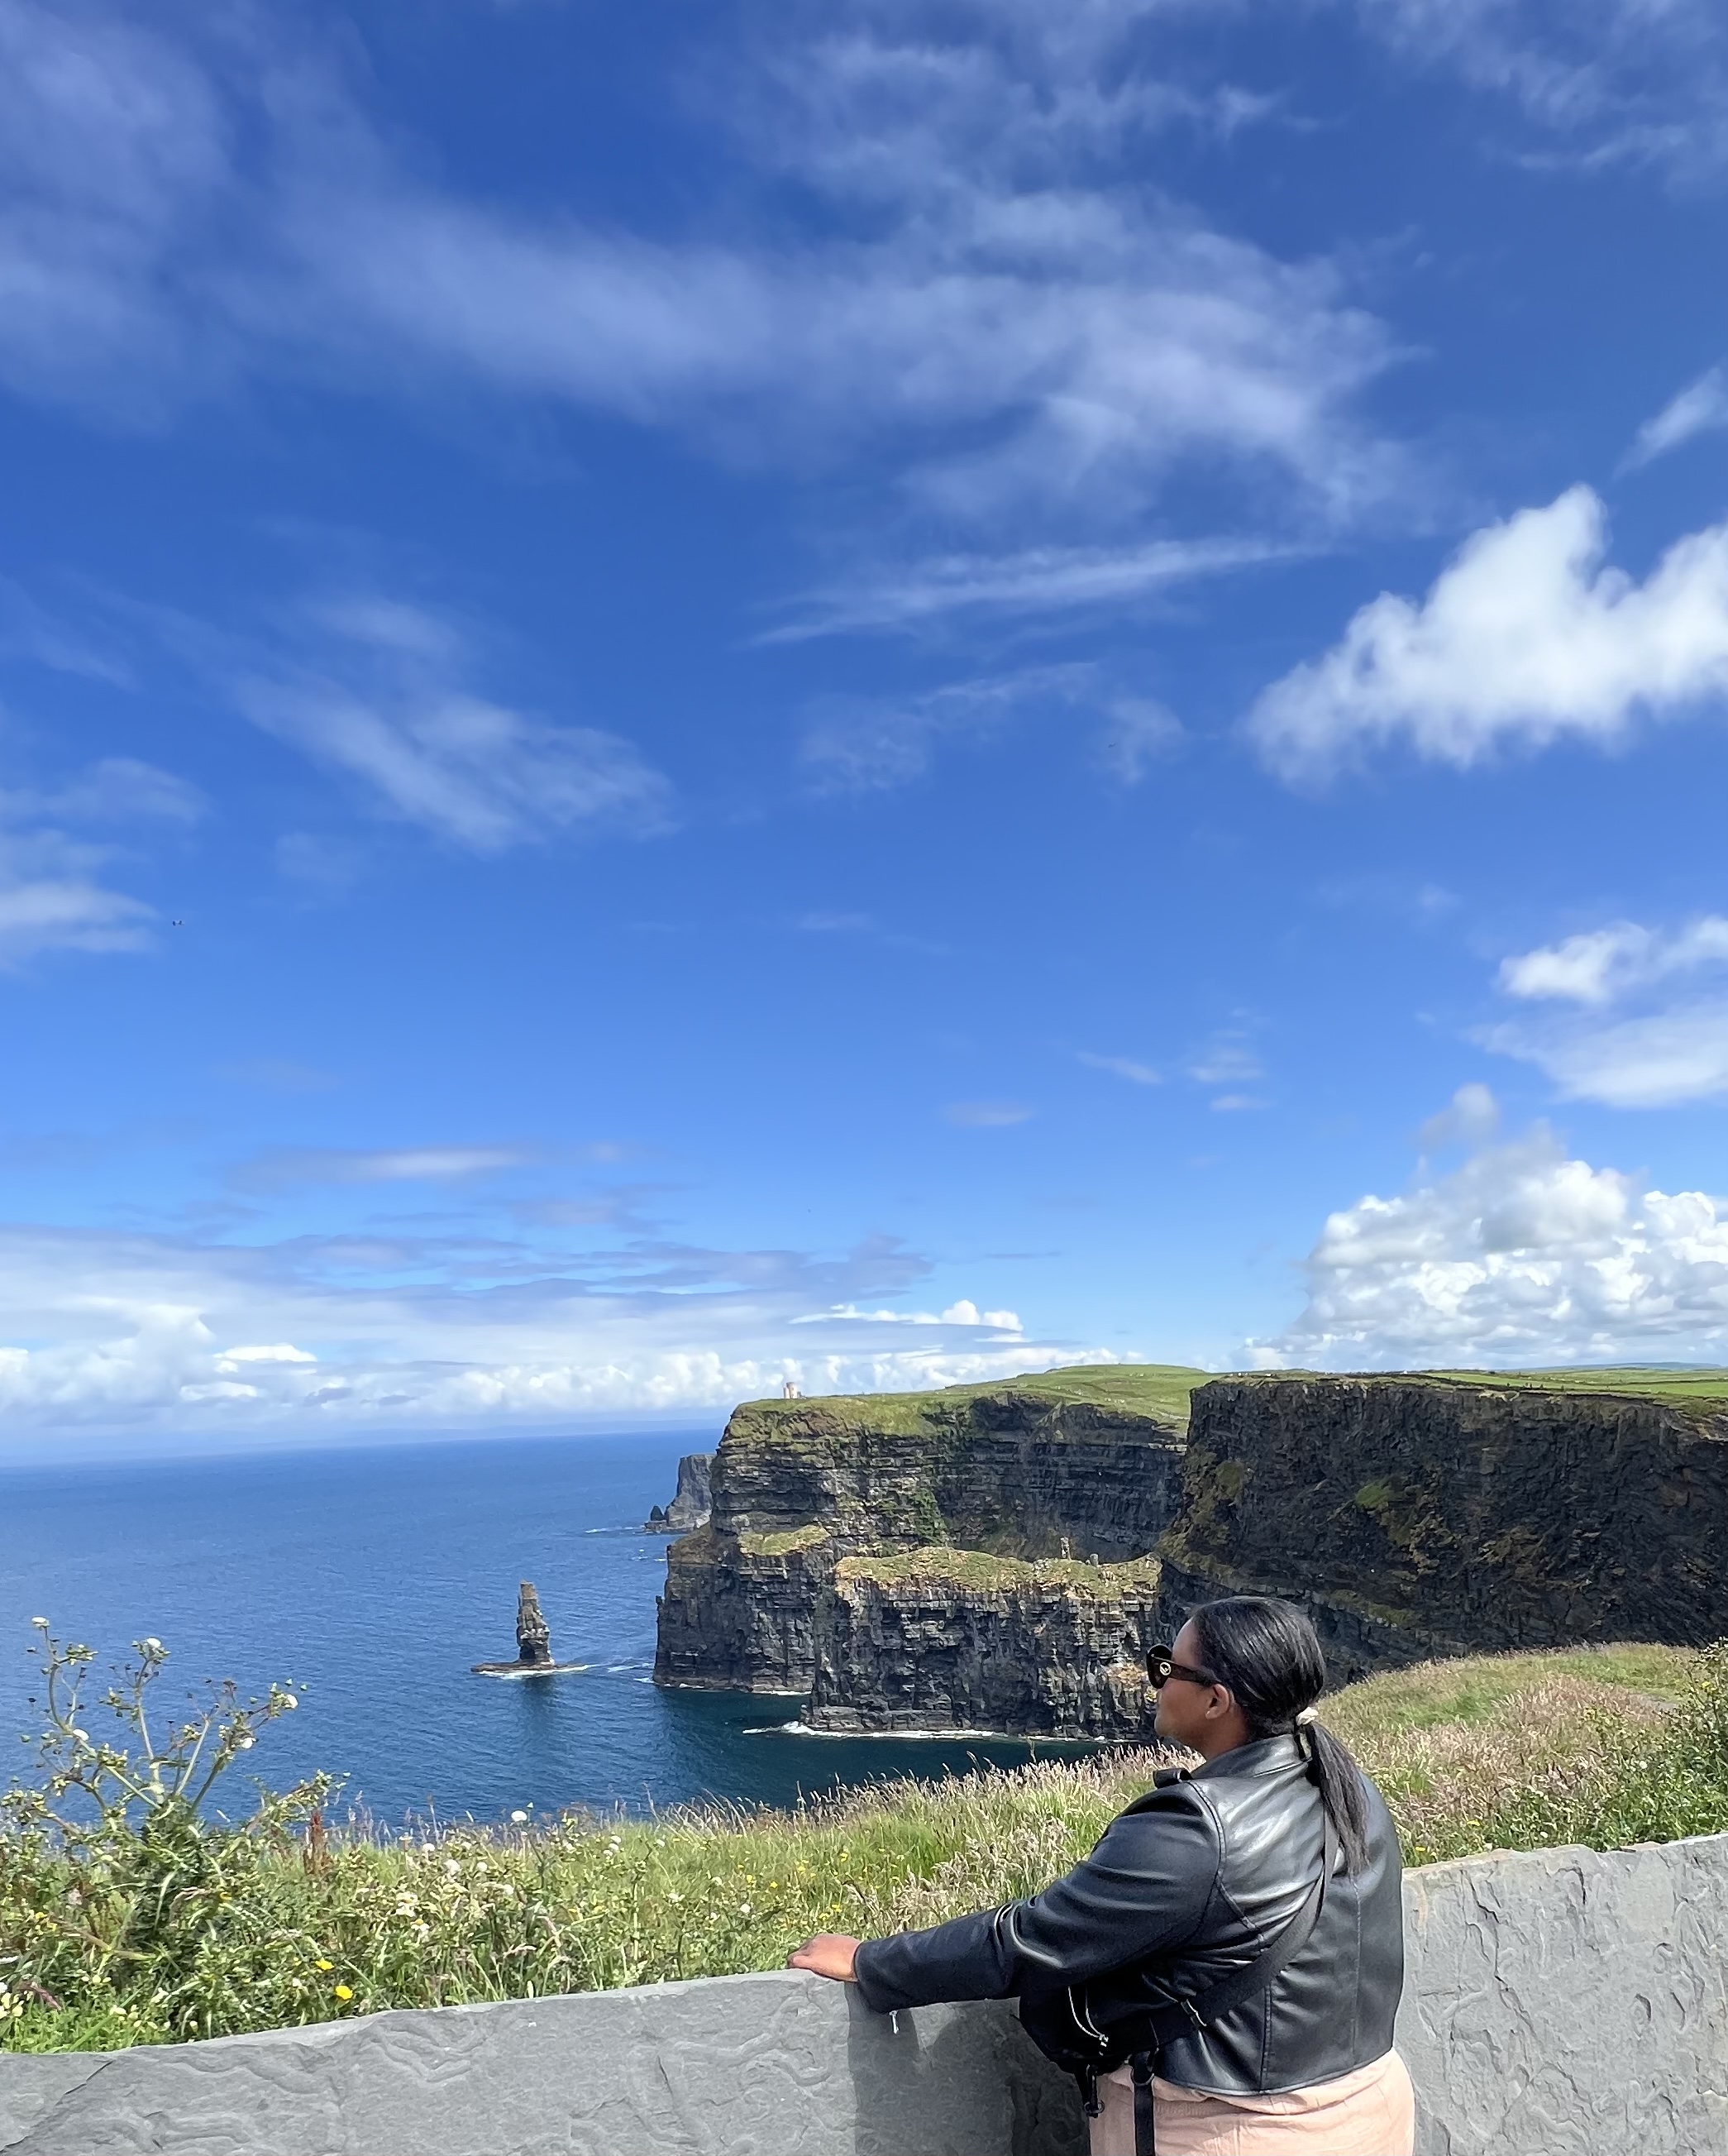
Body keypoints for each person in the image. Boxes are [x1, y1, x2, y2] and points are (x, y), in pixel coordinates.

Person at [790, 1596, 1414, 2156]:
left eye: (1169, 1669)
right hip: (1369, 2108)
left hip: (1237, 2133)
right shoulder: (1347, 1785)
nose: (1155, 1681)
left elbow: (1033, 1940)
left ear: (1216, 1700)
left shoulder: (1198, 1828)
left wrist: (873, 1963)